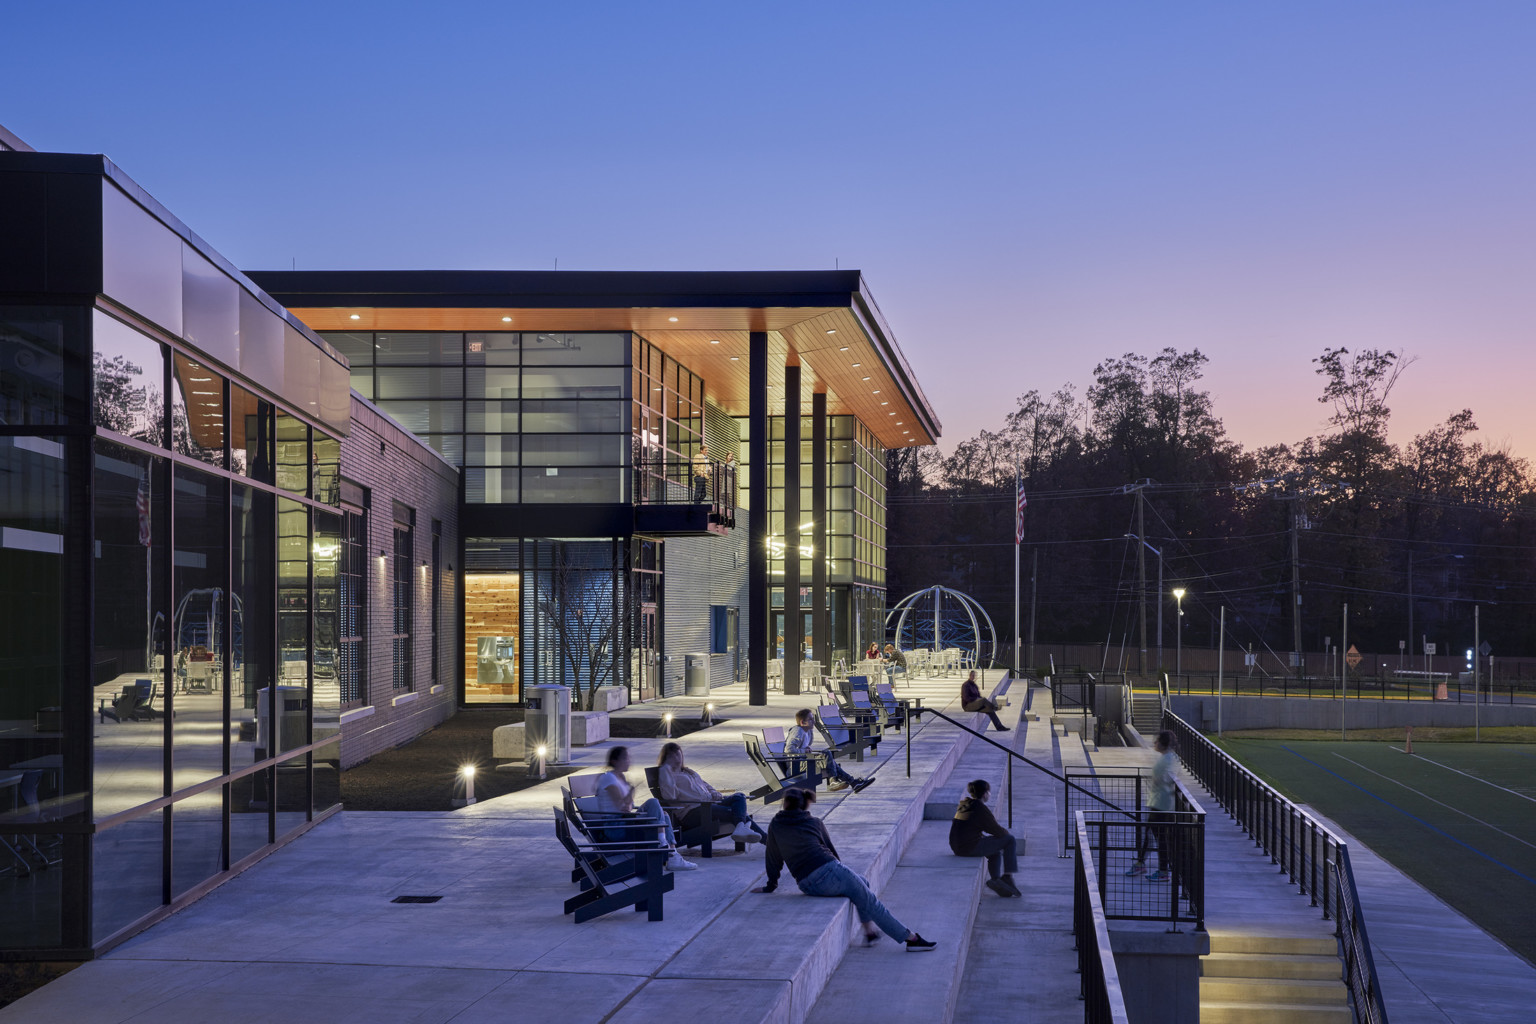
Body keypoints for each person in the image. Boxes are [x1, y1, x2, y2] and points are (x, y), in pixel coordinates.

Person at [753, 788, 936, 952]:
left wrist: (770, 886)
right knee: (871, 901)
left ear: (784, 804)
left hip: (806, 884)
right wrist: (842, 875)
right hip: (828, 871)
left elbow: (773, 857)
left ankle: (869, 932)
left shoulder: (776, 824)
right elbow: (831, 852)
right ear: (805, 804)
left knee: (862, 882)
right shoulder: (814, 822)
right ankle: (910, 938)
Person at [594, 746, 697, 871]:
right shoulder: (609, 778)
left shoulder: (620, 777)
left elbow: (628, 807)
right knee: (653, 803)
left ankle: (671, 854)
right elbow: (623, 807)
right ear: (615, 761)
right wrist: (631, 790)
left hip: (625, 821)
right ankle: (665, 847)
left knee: (663, 813)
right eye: (625, 758)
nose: (629, 761)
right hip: (615, 828)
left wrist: (630, 791)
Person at [657, 742, 764, 844]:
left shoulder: (688, 771)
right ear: (666, 759)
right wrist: (666, 769)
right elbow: (670, 796)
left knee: (739, 796)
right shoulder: (667, 775)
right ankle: (765, 839)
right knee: (738, 813)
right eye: (672, 756)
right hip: (693, 812)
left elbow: (705, 784)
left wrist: (714, 793)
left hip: (708, 804)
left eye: (678, 754)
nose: (676, 758)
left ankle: (741, 828)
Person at [949, 779, 1020, 897]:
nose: (990, 794)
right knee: (1010, 840)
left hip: (956, 846)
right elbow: (996, 830)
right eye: (989, 792)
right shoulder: (980, 809)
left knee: (995, 853)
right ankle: (1007, 877)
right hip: (968, 847)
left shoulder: (965, 803)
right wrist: (1006, 834)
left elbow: (961, 827)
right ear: (985, 794)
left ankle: (996, 880)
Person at [1125, 730, 1178, 882]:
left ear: (1163, 743)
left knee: (1158, 837)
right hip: (1158, 802)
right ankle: (1142, 863)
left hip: (1162, 804)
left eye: (1157, 741)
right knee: (1150, 834)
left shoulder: (1169, 759)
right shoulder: (1167, 757)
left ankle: (1162, 870)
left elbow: (1167, 778)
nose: (1154, 743)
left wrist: (1157, 779)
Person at [786, 708, 873, 793]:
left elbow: (804, 747)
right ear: (802, 722)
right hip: (796, 766)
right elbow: (788, 749)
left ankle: (852, 783)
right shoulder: (798, 731)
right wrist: (803, 751)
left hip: (805, 761)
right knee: (827, 755)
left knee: (829, 759)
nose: (814, 721)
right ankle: (842, 782)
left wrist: (806, 749)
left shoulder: (808, 731)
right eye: (811, 719)